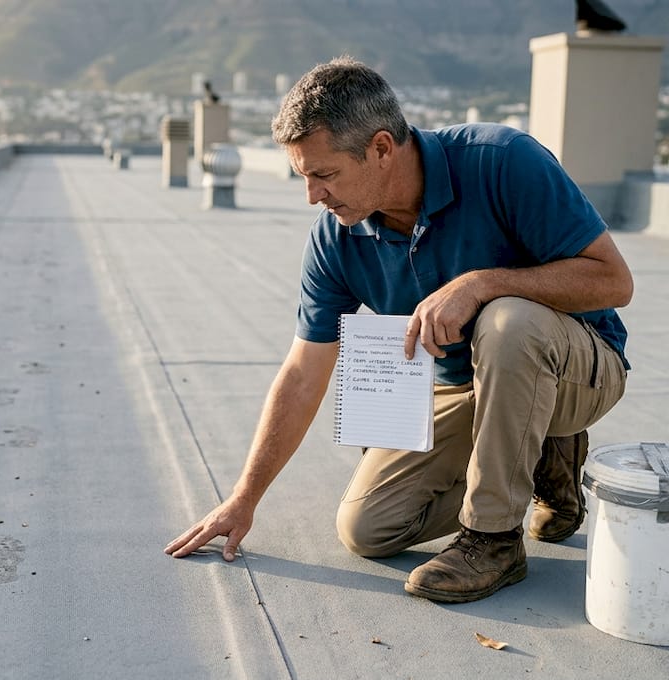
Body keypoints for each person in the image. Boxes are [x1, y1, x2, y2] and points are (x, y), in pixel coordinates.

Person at [164, 56, 633, 603]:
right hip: (465, 387)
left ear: (382, 148)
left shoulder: (502, 162)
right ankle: (541, 458)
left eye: (324, 174)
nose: (312, 195)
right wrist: (243, 498)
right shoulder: (335, 239)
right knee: (368, 528)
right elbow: (303, 372)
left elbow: (614, 281)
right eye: (304, 176)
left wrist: (481, 283)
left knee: (510, 319)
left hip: (576, 371)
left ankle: (494, 540)